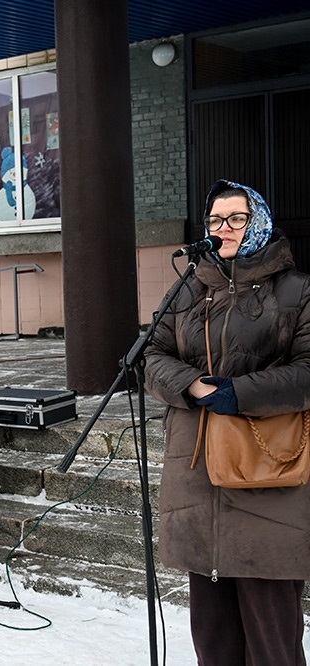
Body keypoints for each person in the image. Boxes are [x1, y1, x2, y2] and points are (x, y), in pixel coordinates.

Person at [145, 180, 310, 664]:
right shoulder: (188, 289)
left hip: (268, 475)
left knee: (272, 638)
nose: (224, 229)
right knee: (213, 640)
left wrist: (242, 393)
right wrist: (192, 384)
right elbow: (149, 356)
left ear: (258, 221)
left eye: (236, 219)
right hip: (196, 476)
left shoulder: (298, 291)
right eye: (216, 221)